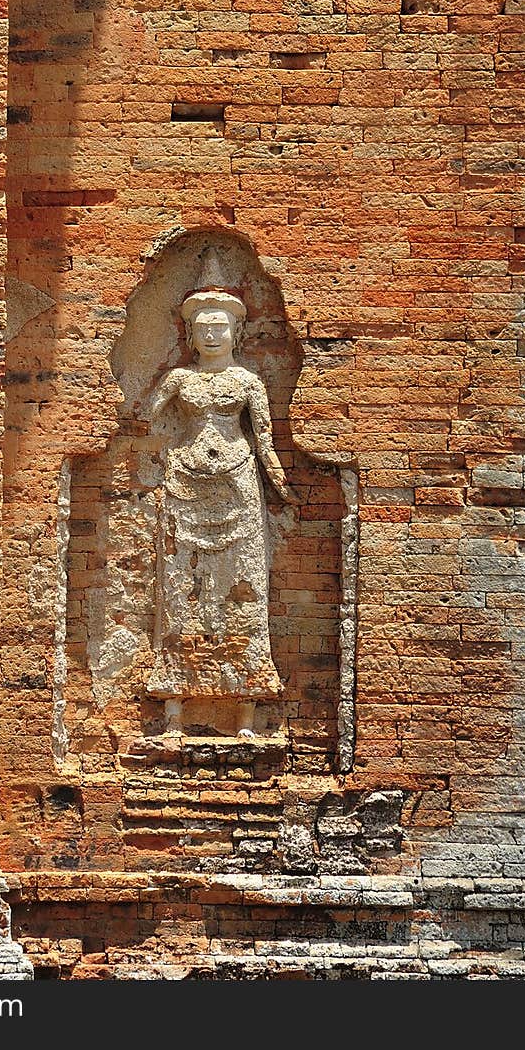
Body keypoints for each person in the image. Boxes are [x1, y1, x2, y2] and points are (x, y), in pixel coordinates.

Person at [146, 266, 291, 737]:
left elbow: (264, 438)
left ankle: (247, 711)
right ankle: (173, 710)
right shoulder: (179, 379)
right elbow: (145, 422)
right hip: (186, 482)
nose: (212, 334)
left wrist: (280, 484)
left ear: (236, 331)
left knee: (244, 588)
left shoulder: (249, 382)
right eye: (203, 327)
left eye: (220, 326)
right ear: (190, 333)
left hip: (238, 483)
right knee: (180, 591)